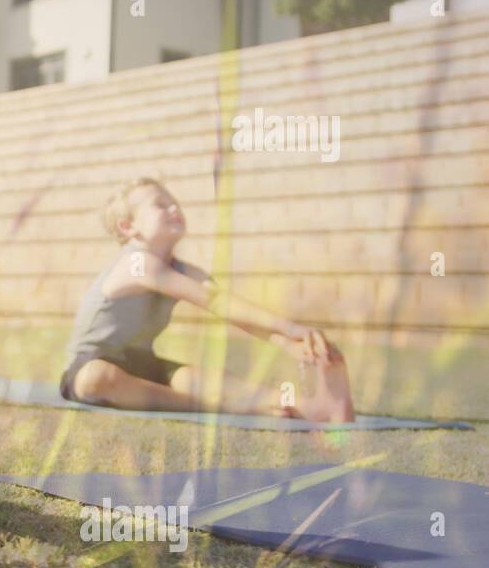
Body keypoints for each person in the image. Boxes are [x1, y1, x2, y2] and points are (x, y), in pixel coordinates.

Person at [60, 177, 355, 421]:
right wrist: (289, 328)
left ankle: (316, 407)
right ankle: (213, 407)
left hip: (144, 364)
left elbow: (227, 306)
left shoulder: (183, 270)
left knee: (202, 379)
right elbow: (212, 302)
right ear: (128, 227)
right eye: (161, 205)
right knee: (98, 378)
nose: (174, 207)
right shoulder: (137, 265)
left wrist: (287, 344)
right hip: (92, 365)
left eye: (174, 202)